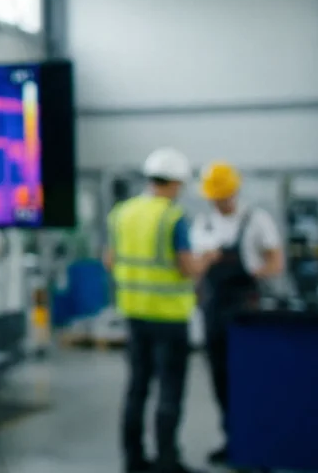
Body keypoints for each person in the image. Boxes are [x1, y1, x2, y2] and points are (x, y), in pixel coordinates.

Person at [106, 148, 218, 473]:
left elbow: (110, 260)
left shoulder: (122, 213)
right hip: (169, 317)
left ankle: (133, 459)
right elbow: (187, 267)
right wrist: (207, 259)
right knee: (169, 390)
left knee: (137, 388)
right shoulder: (172, 217)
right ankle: (167, 461)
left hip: (134, 314)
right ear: (176, 182)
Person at [190, 161, 286, 467]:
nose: (218, 201)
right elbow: (195, 268)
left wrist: (258, 272)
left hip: (248, 308)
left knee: (251, 378)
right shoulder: (203, 223)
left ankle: (259, 444)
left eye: (223, 196)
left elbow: (276, 261)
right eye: (214, 197)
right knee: (220, 379)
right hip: (214, 309)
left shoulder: (256, 219)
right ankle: (233, 441)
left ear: (234, 191)